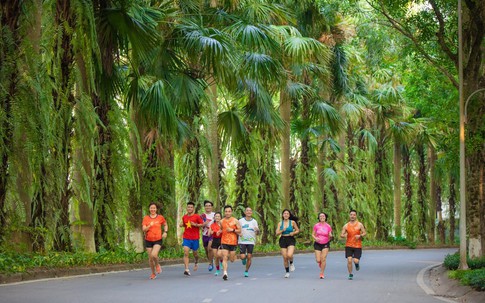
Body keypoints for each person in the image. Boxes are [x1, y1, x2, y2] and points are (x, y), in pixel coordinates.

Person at [142, 202, 168, 280]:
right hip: (148, 240)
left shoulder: (160, 217)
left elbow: (165, 224)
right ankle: (153, 273)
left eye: (154, 208)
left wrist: (165, 232)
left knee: (154, 255)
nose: (152, 209)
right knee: (150, 258)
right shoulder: (146, 218)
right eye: (151, 208)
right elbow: (144, 229)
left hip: (157, 239)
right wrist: (149, 225)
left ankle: (157, 265)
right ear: (149, 209)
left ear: (156, 209)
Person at [340, 209, 367, 280]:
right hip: (348, 245)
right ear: (349, 215)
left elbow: (364, 233)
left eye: (354, 215)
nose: (352, 216)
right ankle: (350, 274)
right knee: (349, 260)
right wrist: (344, 235)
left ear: (356, 216)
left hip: (357, 246)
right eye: (351, 215)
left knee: (355, 260)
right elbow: (341, 235)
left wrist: (360, 236)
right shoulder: (346, 225)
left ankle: (357, 264)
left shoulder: (360, 224)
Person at [179, 202, 204, 276]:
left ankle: (196, 261)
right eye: (188, 207)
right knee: (186, 252)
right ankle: (186, 269)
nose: (189, 208)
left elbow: (202, 224)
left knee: (195, 253)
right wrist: (181, 225)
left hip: (195, 238)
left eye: (191, 207)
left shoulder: (197, 216)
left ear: (193, 208)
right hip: (186, 237)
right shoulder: (184, 217)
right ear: (186, 208)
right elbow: (184, 224)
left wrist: (195, 224)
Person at [219, 205, 241, 281]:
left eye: (229, 211)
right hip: (224, 241)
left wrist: (232, 230)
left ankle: (233, 257)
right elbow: (221, 229)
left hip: (233, 242)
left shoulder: (235, 220)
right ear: (224, 212)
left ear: (231, 212)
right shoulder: (221, 221)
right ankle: (225, 273)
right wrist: (219, 231)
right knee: (224, 257)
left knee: (231, 259)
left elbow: (239, 231)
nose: (227, 213)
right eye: (226, 211)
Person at [275, 209, 299, 278]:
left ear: (289, 215)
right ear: (282, 215)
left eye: (287, 214)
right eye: (284, 213)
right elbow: (276, 233)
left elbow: (297, 230)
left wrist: (293, 233)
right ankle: (287, 272)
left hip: (290, 239)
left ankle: (291, 263)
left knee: (289, 254)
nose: (286, 215)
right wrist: (282, 230)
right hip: (283, 239)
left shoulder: (292, 222)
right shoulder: (280, 223)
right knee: (285, 257)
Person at [238, 207, 259, 277]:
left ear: (252, 212)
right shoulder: (240, 221)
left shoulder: (254, 221)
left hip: (251, 241)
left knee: (249, 256)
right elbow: (237, 229)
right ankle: (243, 258)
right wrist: (239, 233)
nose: (249, 212)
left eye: (250, 211)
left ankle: (246, 270)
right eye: (247, 211)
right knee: (242, 256)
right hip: (242, 241)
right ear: (245, 212)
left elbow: (257, 232)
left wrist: (257, 231)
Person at [312, 212, 333, 279]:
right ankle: (320, 262)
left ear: (325, 217)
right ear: (319, 218)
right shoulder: (316, 225)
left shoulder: (328, 226)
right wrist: (315, 238)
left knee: (323, 258)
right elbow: (312, 234)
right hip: (317, 243)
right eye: (320, 216)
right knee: (318, 260)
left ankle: (321, 273)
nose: (322, 217)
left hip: (325, 243)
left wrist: (330, 236)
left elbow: (330, 234)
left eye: (323, 216)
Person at [201, 200, 216, 272]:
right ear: (204, 207)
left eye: (209, 206)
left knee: (210, 248)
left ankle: (210, 263)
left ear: (211, 207)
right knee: (207, 250)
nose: (208, 207)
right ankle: (210, 260)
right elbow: (199, 225)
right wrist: (204, 223)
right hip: (205, 234)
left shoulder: (215, 215)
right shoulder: (202, 215)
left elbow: (219, 223)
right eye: (206, 206)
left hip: (213, 234)